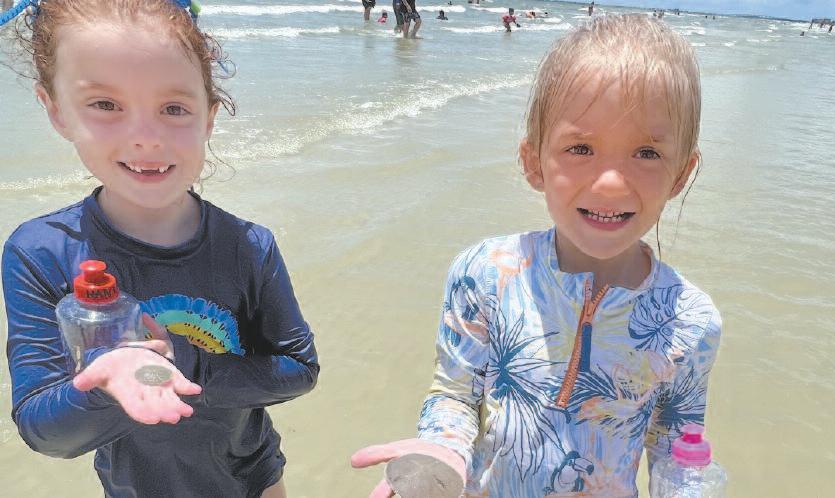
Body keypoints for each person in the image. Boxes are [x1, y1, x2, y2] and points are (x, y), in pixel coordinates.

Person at [351, 14, 722, 497]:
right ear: (533, 162)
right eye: (581, 148)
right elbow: (455, 394)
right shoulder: (485, 274)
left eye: (647, 153)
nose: (611, 183)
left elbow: (676, 448)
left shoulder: (690, 320)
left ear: (681, 174)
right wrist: (442, 452)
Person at [1, 1, 319, 497]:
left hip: (254, 480)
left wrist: (182, 362)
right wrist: (105, 383)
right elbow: (45, 432)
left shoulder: (248, 245)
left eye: (173, 108)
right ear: (56, 109)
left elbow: (299, 369)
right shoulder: (40, 253)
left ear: (209, 116)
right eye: (105, 104)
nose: (146, 138)